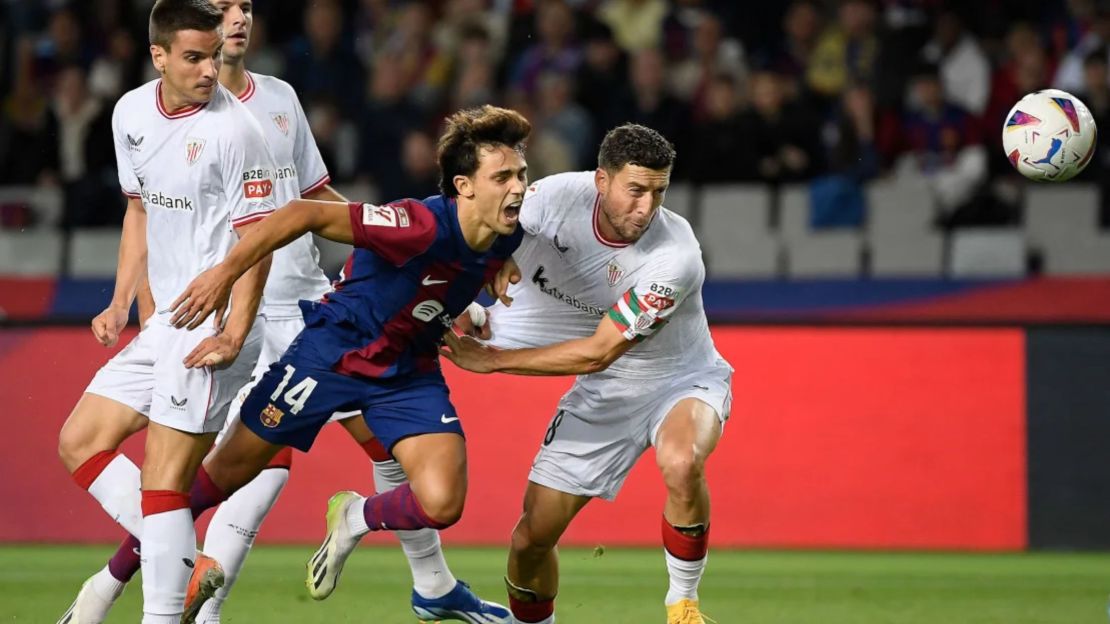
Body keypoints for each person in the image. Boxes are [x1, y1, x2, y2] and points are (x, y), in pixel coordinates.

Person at [60, 3, 510, 623]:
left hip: (296, 299)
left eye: (245, 6)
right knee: (214, 464)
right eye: (223, 9)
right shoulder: (141, 113)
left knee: (360, 449)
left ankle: (429, 585)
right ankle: (146, 585)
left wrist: (413, 249)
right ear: (173, 41)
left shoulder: (276, 101)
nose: (239, 18)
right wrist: (137, 304)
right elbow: (147, 211)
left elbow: (315, 198)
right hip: (221, 307)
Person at [161, 104, 530, 621]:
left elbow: (472, 262)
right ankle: (116, 578)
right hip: (332, 355)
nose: (518, 188)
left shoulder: (507, 231)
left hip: (407, 370)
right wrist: (225, 275)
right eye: (503, 177)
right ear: (464, 186)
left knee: (443, 502)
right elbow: (305, 212)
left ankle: (354, 516)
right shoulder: (416, 223)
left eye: (521, 175)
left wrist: (482, 283)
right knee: (217, 480)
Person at [439, 124, 733, 624]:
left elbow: (599, 352)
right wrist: (495, 256)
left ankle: (683, 604)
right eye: (635, 190)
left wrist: (492, 360)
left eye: (659, 192)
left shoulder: (675, 257)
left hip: (680, 376)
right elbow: (483, 223)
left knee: (682, 462)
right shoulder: (554, 197)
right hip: (606, 390)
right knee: (532, 538)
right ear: (601, 181)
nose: (647, 207)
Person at [55, 2, 276, 623]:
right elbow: (140, 211)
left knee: (162, 484)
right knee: (79, 441)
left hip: (211, 327)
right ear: (158, 56)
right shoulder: (130, 113)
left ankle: (162, 602)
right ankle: (185, 558)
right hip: (163, 324)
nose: (210, 69)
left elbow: (259, 241)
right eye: (194, 57)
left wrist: (234, 332)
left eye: (212, 56)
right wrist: (121, 297)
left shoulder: (238, 132)